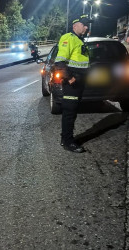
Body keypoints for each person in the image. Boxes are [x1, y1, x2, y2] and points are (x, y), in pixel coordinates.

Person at [54, 14, 93, 153]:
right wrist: (70, 78)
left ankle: (66, 138)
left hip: (78, 84)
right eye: (84, 24)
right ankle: (67, 142)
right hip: (72, 84)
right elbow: (59, 62)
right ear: (75, 25)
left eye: (87, 24)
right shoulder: (68, 38)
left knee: (73, 112)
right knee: (69, 112)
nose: (86, 27)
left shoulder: (79, 40)